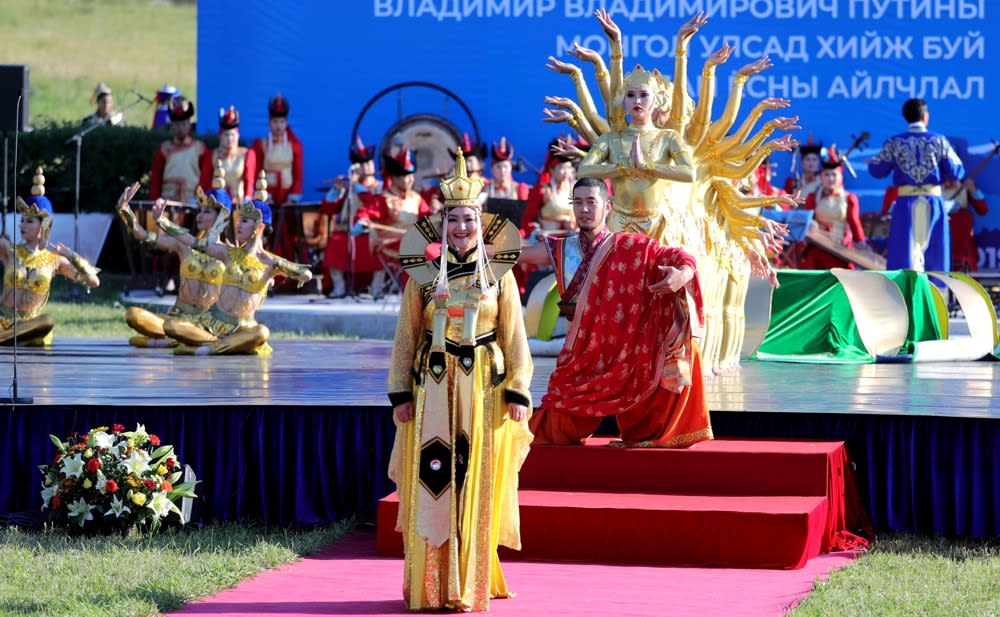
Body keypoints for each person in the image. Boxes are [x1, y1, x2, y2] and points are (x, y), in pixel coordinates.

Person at [387, 151, 532, 612]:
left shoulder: (499, 276)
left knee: (474, 479)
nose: (462, 227)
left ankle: (468, 582)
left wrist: (518, 389)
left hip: (484, 386)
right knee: (435, 477)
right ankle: (431, 585)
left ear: (481, 222)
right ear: (442, 223)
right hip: (433, 385)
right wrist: (400, 393)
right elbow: (406, 335)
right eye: (454, 219)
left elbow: (514, 335)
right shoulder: (423, 276)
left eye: (469, 219)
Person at [519, 177, 712, 447]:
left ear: (607, 206)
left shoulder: (630, 246)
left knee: (673, 349)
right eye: (578, 203)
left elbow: (680, 257)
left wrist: (682, 275)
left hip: (625, 347)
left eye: (591, 202)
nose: (584, 209)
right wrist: (475, 245)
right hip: (583, 355)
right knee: (552, 432)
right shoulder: (563, 249)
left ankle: (652, 433)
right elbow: (516, 254)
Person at [157, 174, 312, 355]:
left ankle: (207, 349)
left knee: (262, 332)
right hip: (211, 325)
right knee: (172, 326)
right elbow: (192, 241)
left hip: (244, 329)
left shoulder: (271, 263)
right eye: (239, 219)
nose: (238, 225)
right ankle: (217, 347)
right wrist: (162, 222)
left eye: (244, 221)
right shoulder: (227, 252)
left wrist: (275, 262)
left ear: (259, 227)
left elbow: (306, 275)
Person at [574, 64, 696, 244]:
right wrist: (622, 168)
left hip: (659, 226)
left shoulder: (669, 137)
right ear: (623, 99)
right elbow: (583, 171)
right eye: (630, 95)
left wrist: (647, 167)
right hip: (620, 224)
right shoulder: (611, 138)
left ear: (657, 100)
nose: (637, 101)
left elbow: (689, 173)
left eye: (644, 95)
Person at [117, 172, 231, 348]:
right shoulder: (183, 243)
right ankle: (176, 340)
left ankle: (174, 340)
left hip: (208, 323)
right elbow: (141, 234)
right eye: (200, 211)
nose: (199, 216)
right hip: (177, 318)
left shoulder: (227, 252)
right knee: (134, 315)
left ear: (221, 216)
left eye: (207, 212)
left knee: (173, 328)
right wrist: (124, 209)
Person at [0, 168, 100, 345]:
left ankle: (15, 338)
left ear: (44, 226)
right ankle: (9, 337)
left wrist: (72, 256)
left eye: (29, 221)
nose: (22, 225)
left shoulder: (55, 261)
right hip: (2, 321)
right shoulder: (9, 250)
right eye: (22, 220)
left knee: (47, 321)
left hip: (31, 327)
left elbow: (93, 282)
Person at [868, 98, 965, 272]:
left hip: (905, 204)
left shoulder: (894, 142)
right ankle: (935, 289)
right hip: (933, 203)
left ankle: (905, 290)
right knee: (935, 254)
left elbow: (877, 170)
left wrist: (872, 161)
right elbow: (956, 171)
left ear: (906, 117)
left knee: (904, 254)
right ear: (925, 115)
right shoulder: (938, 140)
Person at [353, 148, 433, 298]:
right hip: (391, 246)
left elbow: (428, 216)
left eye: (411, 176)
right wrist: (362, 221)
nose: (408, 180)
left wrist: (438, 214)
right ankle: (412, 296)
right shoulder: (384, 199)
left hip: (413, 243)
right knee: (420, 252)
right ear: (394, 178)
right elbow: (365, 212)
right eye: (404, 176)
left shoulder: (416, 198)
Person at [320, 136, 383, 298]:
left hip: (371, 232)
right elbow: (328, 208)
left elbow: (373, 205)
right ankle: (339, 287)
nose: (365, 167)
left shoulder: (380, 187)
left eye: (368, 163)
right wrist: (337, 189)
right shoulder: (349, 185)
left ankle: (377, 287)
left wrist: (359, 188)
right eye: (361, 164)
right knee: (335, 243)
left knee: (381, 248)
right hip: (347, 231)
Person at [252, 94, 304, 261]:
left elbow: (298, 173)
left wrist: (293, 196)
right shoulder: (261, 144)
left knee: (291, 235)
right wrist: (263, 196)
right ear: (269, 122)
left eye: (281, 122)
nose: (278, 126)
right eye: (275, 121)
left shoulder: (295, 145)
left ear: (286, 122)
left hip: (287, 197)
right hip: (269, 196)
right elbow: (256, 171)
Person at [799, 146, 866, 270]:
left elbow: (854, 223)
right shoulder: (813, 197)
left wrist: (861, 243)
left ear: (841, 178)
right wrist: (812, 224)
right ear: (821, 178)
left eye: (834, 175)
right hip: (818, 246)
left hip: (841, 248)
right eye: (827, 175)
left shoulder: (849, 198)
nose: (830, 179)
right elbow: (807, 220)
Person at [150, 96, 210, 205]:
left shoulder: (200, 149)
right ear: (172, 125)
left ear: (189, 124)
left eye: (184, 124)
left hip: (192, 204)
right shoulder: (164, 149)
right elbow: (155, 180)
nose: (181, 128)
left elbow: (205, 178)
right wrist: (154, 203)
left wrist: (200, 200)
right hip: (167, 204)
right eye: (177, 124)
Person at [201, 106, 256, 202]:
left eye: (233, 134)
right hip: (217, 203)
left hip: (238, 203)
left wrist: (248, 198)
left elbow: (249, 180)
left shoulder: (246, 154)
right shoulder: (211, 155)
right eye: (226, 134)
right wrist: (201, 198)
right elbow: (204, 180)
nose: (230, 138)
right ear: (220, 136)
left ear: (238, 136)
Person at [945, 178, 988, 272]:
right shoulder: (931, 184)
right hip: (942, 232)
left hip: (962, 237)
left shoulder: (963, 184)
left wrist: (973, 189)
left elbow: (983, 209)